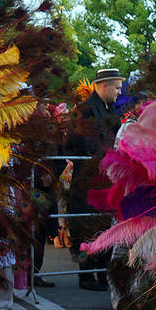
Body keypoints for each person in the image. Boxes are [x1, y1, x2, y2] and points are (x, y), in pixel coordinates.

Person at [66, 69, 124, 291]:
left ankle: (101, 272)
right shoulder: (85, 110)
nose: (119, 92)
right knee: (86, 226)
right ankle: (87, 275)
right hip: (88, 177)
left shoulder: (110, 109)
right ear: (104, 86)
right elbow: (79, 142)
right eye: (117, 88)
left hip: (105, 178)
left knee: (102, 225)